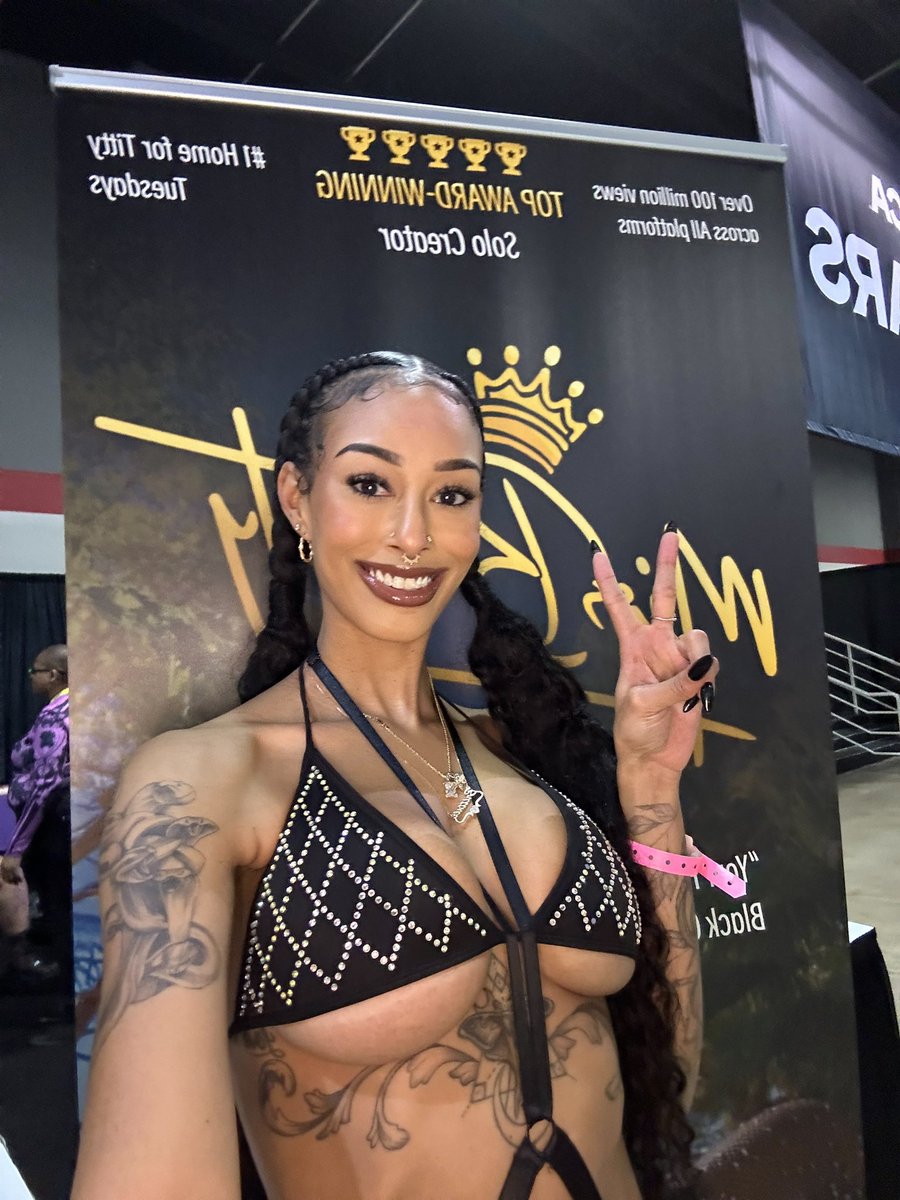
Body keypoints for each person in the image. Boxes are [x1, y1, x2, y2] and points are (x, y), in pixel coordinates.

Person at [72, 352, 720, 1200]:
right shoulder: (203, 785)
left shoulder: (514, 753)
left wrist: (652, 789)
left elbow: (667, 1068)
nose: (414, 535)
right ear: (297, 498)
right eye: (371, 484)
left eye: (452, 494)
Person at [1, 644, 71, 979]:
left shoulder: (55, 717)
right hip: (66, 822)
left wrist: (16, 848)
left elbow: (45, 785)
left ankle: (65, 985)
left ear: (54, 675)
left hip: (53, 826)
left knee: (59, 905)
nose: (31, 676)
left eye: (35, 670)